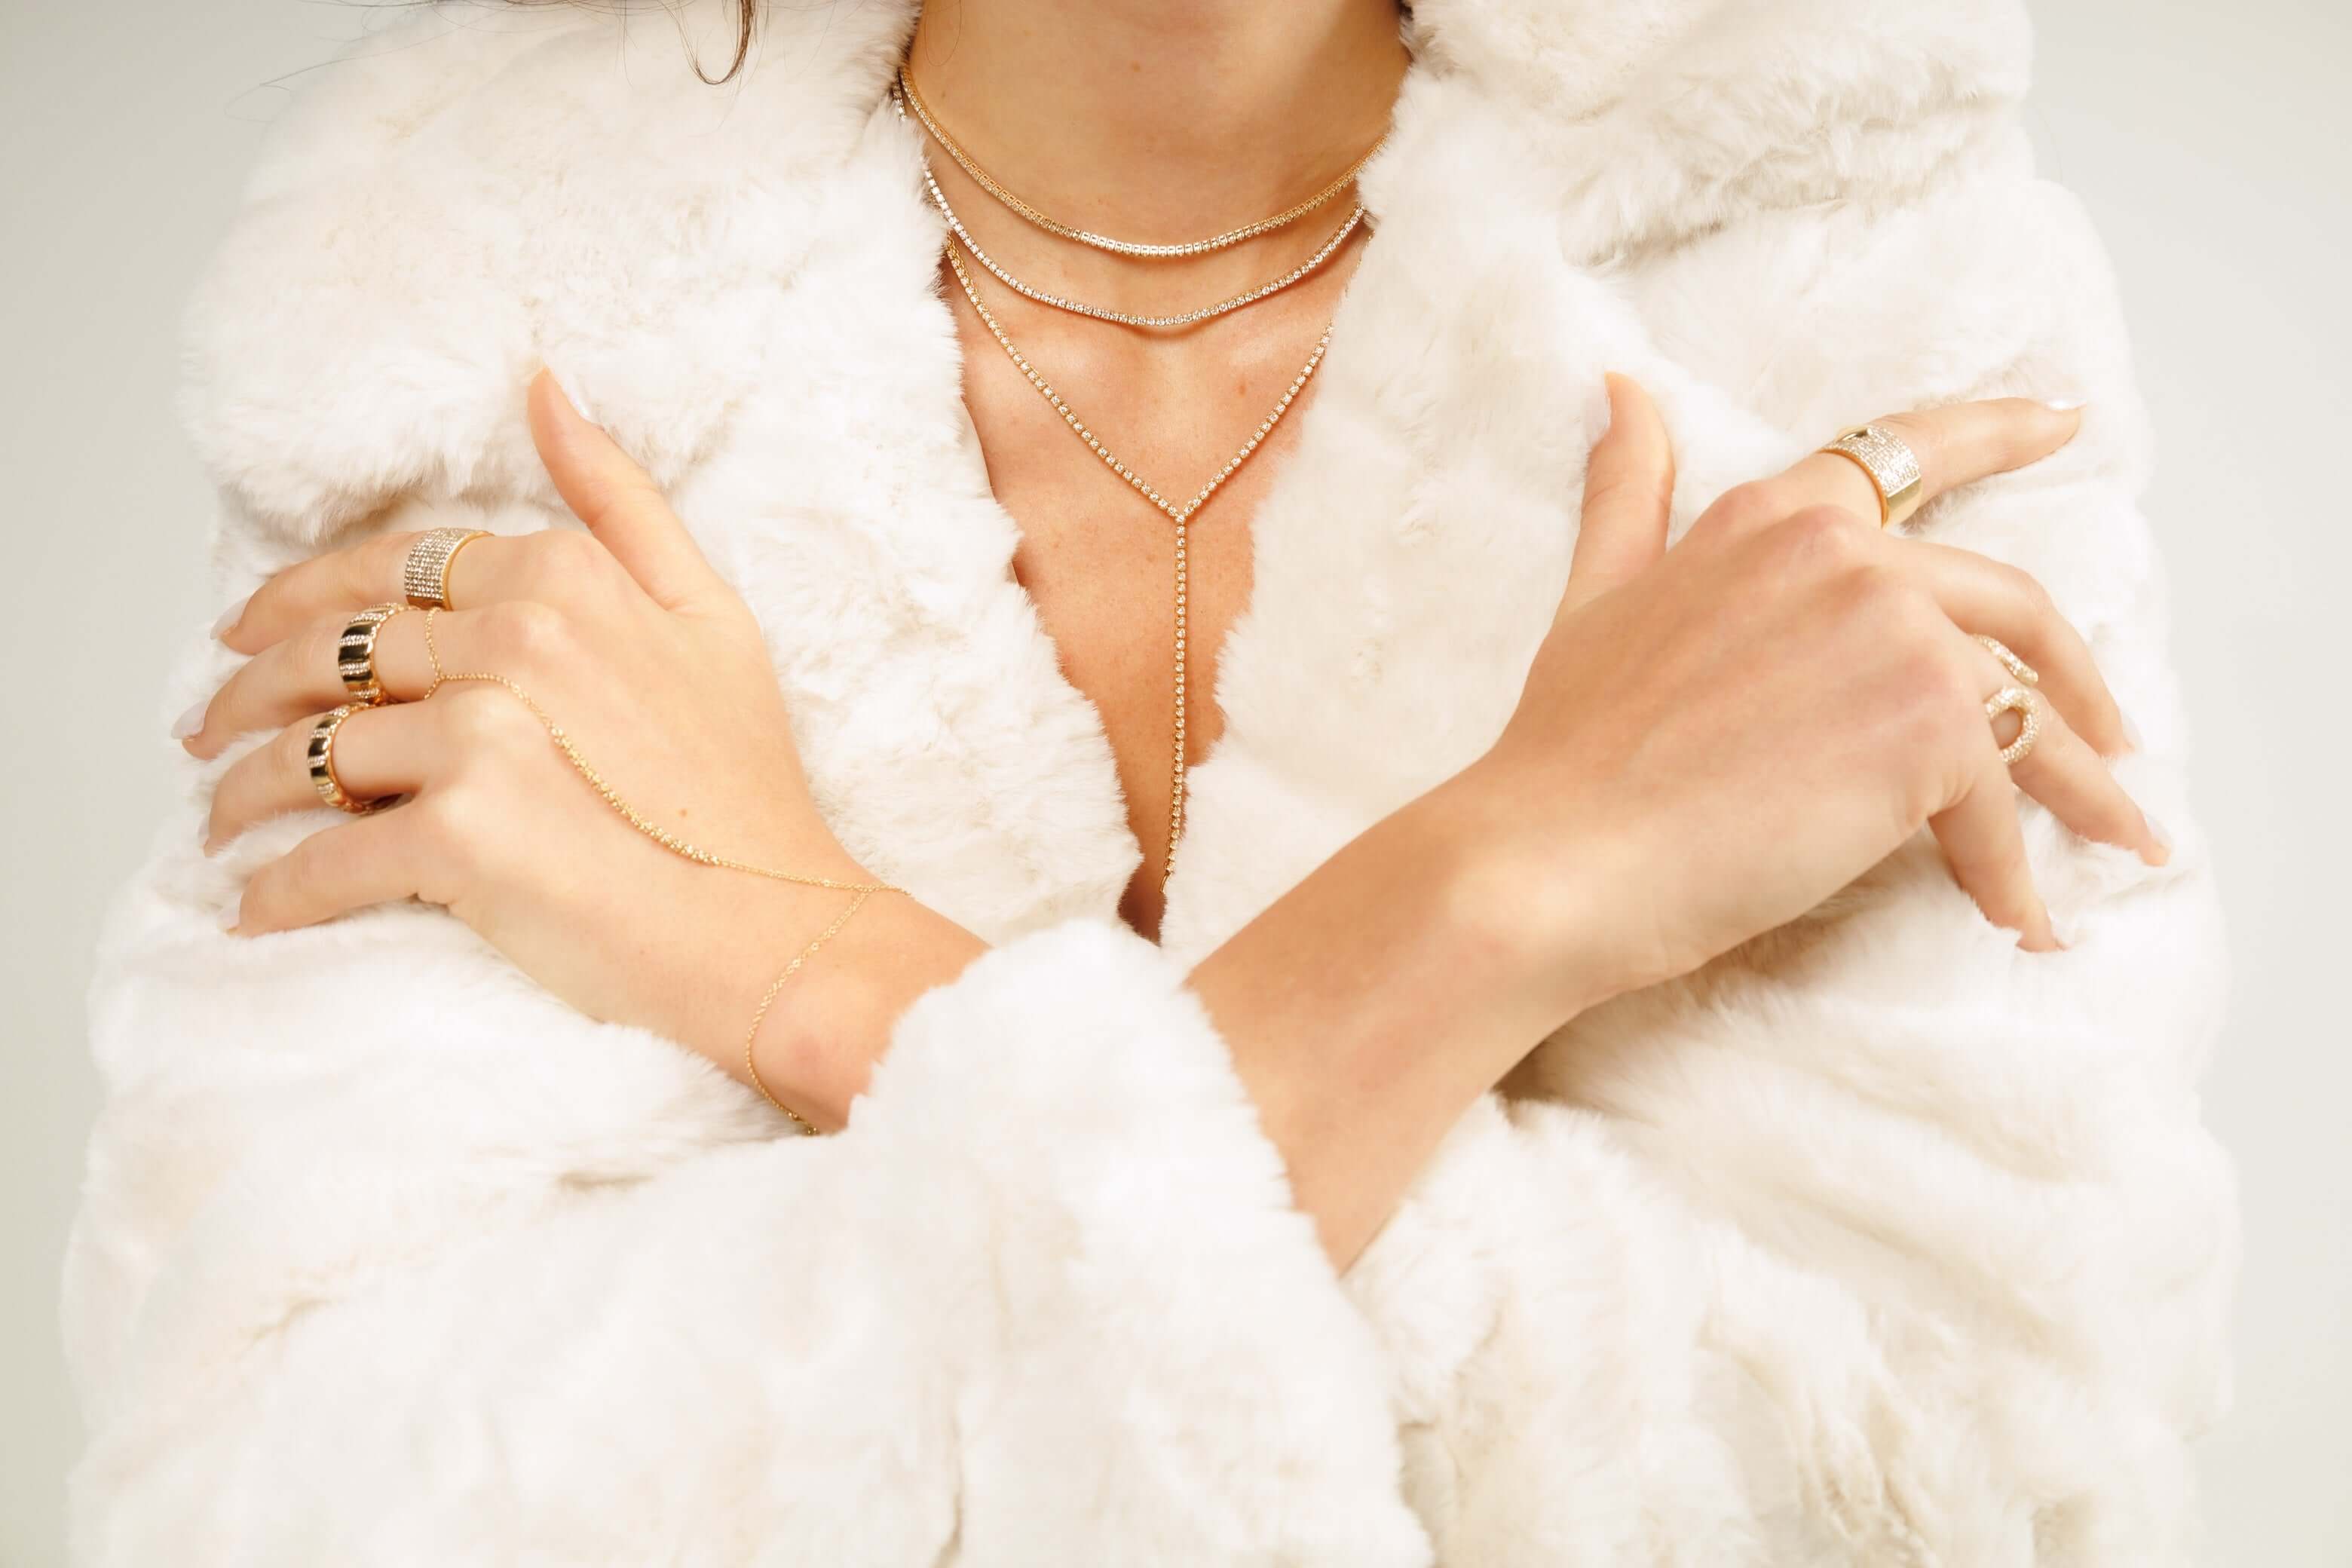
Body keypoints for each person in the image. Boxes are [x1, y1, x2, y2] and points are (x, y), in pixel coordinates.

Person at [65, 0, 2235, 1560]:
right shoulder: (476, 334)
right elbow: (301, 1503)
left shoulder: (1855, 279)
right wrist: (1506, 899)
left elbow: (1978, 1483)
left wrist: (821, 979)